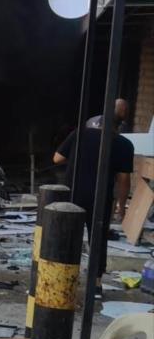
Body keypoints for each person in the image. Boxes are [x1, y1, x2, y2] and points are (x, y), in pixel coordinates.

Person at [54, 98, 135, 290]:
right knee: (97, 239)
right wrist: (121, 208)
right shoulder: (124, 144)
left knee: (68, 237)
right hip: (100, 198)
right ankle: (96, 284)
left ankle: (62, 279)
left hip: (72, 194)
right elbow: (124, 180)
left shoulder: (79, 134)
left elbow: (57, 158)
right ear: (120, 124)